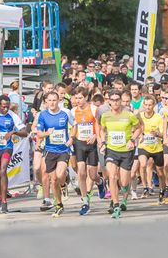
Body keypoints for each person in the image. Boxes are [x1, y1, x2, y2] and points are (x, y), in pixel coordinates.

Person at [99, 89, 142, 219]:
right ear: (109, 102)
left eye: (118, 100)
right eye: (113, 100)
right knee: (112, 177)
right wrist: (102, 142)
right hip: (111, 149)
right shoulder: (105, 116)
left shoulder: (129, 114)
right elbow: (102, 130)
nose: (116, 102)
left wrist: (132, 140)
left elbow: (139, 128)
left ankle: (124, 194)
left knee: (123, 182)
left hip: (126, 151)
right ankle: (116, 205)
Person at [36, 91, 74, 218]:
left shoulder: (65, 113)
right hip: (50, 150)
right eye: (49, 100)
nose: (52, 103)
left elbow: (75, 126)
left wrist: (71, 138)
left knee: (59, 175)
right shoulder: (43, 115)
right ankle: (59, 205)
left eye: (54, 100)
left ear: (58, 101)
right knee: (53, 180)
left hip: (63, 150)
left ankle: (64, 184)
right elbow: (39, 134)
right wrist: (47, 133)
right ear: (46, 102)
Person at [71, 87, 105, 216]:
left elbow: (99, 126)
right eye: (76, 98)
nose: (78, 100)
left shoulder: (93, 109)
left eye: (80, 98)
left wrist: (96, 136)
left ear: (86, 97)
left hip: (92, 144)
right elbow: (75, 127)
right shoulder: (73, 111)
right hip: (80, 143)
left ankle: (100, 182)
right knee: (81, 171)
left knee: (92, 174)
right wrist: (71, 138)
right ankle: (85, 202)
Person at [138, 95, 166, 204]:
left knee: (160, 172)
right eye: (146, 105)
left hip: (156, 147)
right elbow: (134, 128)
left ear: (154, 106)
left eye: (150, 105)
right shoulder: (139, 116)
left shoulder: (158, 117)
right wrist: (139, 135)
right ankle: (145, 188)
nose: (148, 107)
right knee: (143, 164)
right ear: (143, 105)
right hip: (143, 146)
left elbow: (163, 135)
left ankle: (162, 191)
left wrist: (157, 134)